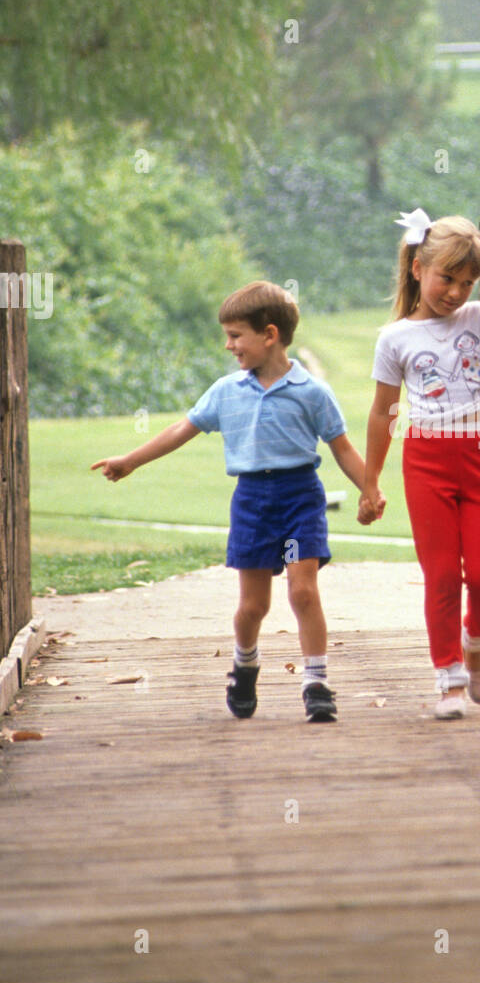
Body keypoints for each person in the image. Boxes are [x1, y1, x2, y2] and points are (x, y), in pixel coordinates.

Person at [91, 280, 378, 723]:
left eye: (235, 335)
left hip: (301, 496)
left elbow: (341, 448)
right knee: (253, 607)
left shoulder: (313, 392)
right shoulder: (226, 391)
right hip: (252, 501)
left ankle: (316, 682)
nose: (229, 345)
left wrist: (369, 489)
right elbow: (179, 431)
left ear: (270, 334)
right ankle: (245, 664)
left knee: (303, 591)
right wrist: (131, 460)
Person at [358, 209, 480, 719]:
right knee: (442, 576)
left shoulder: (479, 317)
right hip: (427, 460)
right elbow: (383, 411)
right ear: (418, 268)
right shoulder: (394, 338)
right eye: (448, 278)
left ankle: (475, 643)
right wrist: (370, 482)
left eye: (468, 282)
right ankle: (449, 680)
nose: (457, 292)